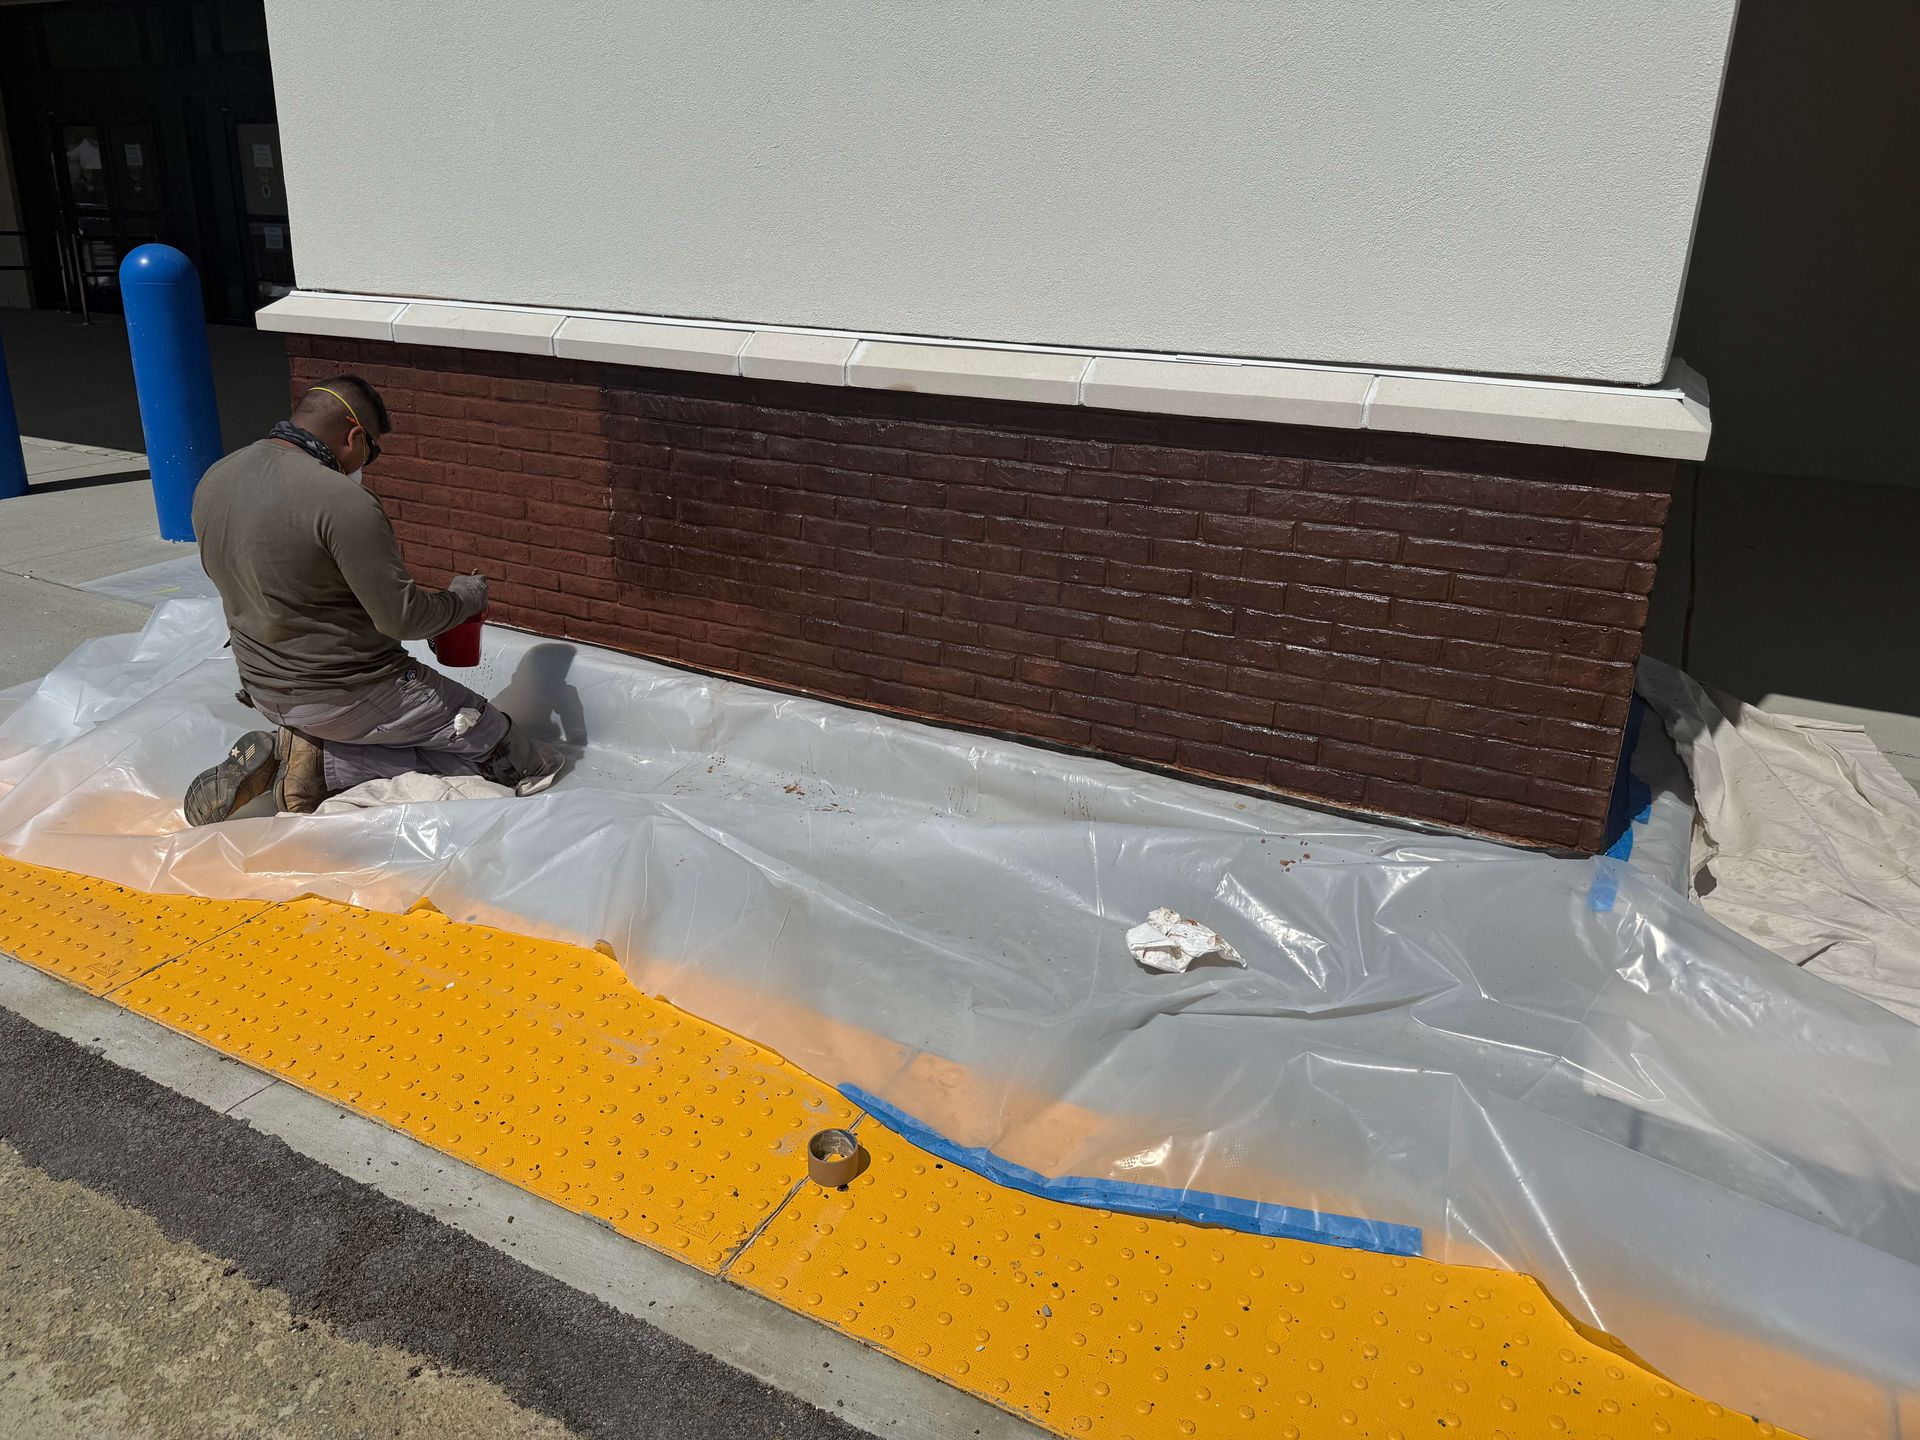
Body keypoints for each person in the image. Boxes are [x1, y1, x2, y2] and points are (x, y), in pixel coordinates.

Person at [182, 375, 560, 824]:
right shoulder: (343, 501)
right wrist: (464, 597)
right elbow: (404, 619)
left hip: (264, 687)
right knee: (516, 763)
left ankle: (310, 750)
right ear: (354, 437)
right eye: (372, 450)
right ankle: (319, 763)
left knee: (424, 737)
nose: (367, 462)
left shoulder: (217, 477)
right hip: (350, 690)